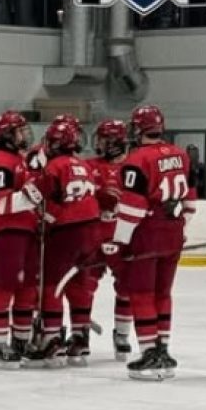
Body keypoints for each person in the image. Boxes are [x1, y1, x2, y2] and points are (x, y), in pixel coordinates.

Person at [107, 105, 196, 380]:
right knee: (163, 293)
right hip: (173, 230)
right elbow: (190, 204)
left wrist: (120, 241)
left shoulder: (136, 160)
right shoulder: (181, 155)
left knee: (142, 294)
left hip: (147, 232)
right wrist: (176, 227)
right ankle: (163, 351)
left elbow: (132, 208)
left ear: (137, 129)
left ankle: (148, 352)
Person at [23, 121, 101, 368]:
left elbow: (39, 197)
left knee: (51, 286)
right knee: (79, 286)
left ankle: (52, 339)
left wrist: (42, 218)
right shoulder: (85, 166)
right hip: (91, 232)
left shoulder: (55, 166)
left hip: (66, 232)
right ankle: (80, 339)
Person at [0, 111, 39, 369]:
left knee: (28, 289)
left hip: (27, 230)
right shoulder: (0, 162)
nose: (25, 135)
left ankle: (21, 340)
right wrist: (34, 196)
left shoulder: (21, 159)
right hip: (7, 232)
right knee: (5, 287)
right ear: (7, 135)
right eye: (19, 131)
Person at [86, 119, 133, 361]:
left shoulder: (134, 167)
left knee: (127, 286)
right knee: (85, 285)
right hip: (93, 235)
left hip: (123, 236)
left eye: (104, 140)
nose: (99, 144)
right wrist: (96, 197)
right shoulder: (88, 165)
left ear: (115, 143)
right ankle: (79, 331)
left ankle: (122, 333)